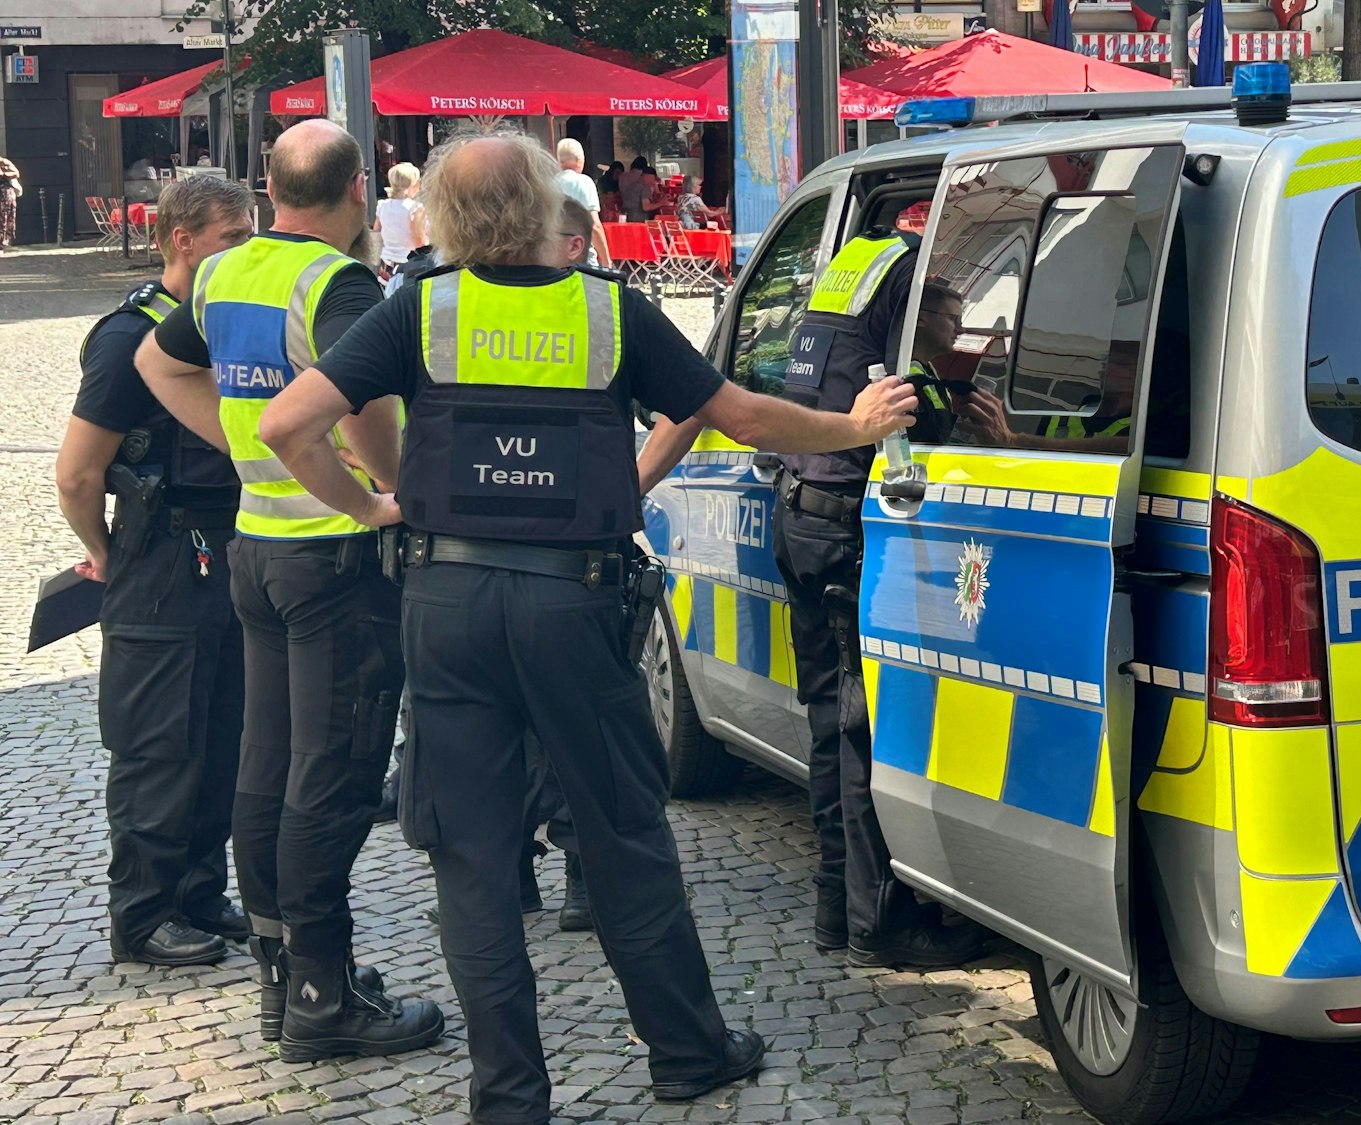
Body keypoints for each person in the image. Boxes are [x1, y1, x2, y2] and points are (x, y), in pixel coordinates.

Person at [254, 130, 919, 1124]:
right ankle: (688, 1050)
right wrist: (856, 429)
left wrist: (372, 506)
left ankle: (509, 1096)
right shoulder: (611, 313)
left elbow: (284, 426)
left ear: (440, 218)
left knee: (472, 856)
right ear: (541, 208)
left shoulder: (419, 310)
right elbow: (741, 417)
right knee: (620, 830)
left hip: (447, 604)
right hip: (575, 602)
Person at [134, 118, 445, 1062]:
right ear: (359, 196)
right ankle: (321, 994)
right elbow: (370, 404)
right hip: (333, 563)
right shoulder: (337, 282)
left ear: (268, 193)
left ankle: (284, 982)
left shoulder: (226, 271)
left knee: (265, 767)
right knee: (333, 778)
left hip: (256, 550)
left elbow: (158, 359)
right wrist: (386, 498)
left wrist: (241, 443)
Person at [55, 176, 256, 967]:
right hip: (161, 555)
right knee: (158, 744)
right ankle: (142, 916)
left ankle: (200, 893)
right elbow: (76, 473)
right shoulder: (126, 337)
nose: (247, 248)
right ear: (183, 240)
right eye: (233, 236)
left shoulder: (225, 323)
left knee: (222, 734)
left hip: (227, 551)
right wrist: (104, 552)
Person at [776, 212, 982, 970]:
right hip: (842, 528)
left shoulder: (850, 262)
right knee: (861, 730)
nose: (960, 326)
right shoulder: (902, 272)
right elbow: (902, 407)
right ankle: (879, 922)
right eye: (953, 310)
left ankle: (838, 905)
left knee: (832, 724)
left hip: (801, 508)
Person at [553, 139, 611, 268]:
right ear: (579, 160)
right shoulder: (583, 182)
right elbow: (594, 226)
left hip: (552, 254)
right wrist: (607, 261)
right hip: (580, 253)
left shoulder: (549, 183)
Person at [375, 162, 426, 274]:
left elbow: (377, 231)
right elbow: (420, 240)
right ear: (415, 184)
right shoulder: (415, 208)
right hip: (408, 263)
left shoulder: (383, 205)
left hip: (386, 263)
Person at [619, 157, 651, 223]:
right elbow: (646, 207)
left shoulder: (622, 176)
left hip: (624, 208)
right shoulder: (642, 180)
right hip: (638, 215)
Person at [0, 155, 19, 251]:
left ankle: (3, 243)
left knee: (4, 218)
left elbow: (16, 173)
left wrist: (3, 174)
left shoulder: (4, 162)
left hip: (5, 195)